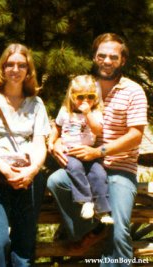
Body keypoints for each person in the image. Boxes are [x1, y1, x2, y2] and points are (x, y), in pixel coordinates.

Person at [47, 33, 148, 265]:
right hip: (84, 165)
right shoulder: (82, 85)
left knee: (121, 230)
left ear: (123, 60)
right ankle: (92, 228)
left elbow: (135, 136)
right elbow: (62, 120)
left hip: (120, 168)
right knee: (56, 181)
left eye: (114, 56)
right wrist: (55, 143)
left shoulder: (133, 91)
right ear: (94, 57)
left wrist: (100, 152)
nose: (107, 60)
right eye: (101, 55)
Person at [0, 43, 50, 266]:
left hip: (28, 179)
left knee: (24, 247)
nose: (15, 69)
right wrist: (7, 171)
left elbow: (40, 144)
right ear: (2, 67)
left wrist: (31, 171)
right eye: (10, 64)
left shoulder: (36, 103)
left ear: (28, 70)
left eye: (21, 65)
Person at [48, 75, 113, 224]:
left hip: (88, 151)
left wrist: (88, 114)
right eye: (80, 97)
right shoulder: (65, 111)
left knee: (99, 173)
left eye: (90, 96)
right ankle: (85, 201)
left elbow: (97, 131)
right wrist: (51, 142)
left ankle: (102, 211)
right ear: (72, 96)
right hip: (69, 152)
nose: (85, 101)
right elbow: (56, 128)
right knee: (75, 168)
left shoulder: (95, 113)